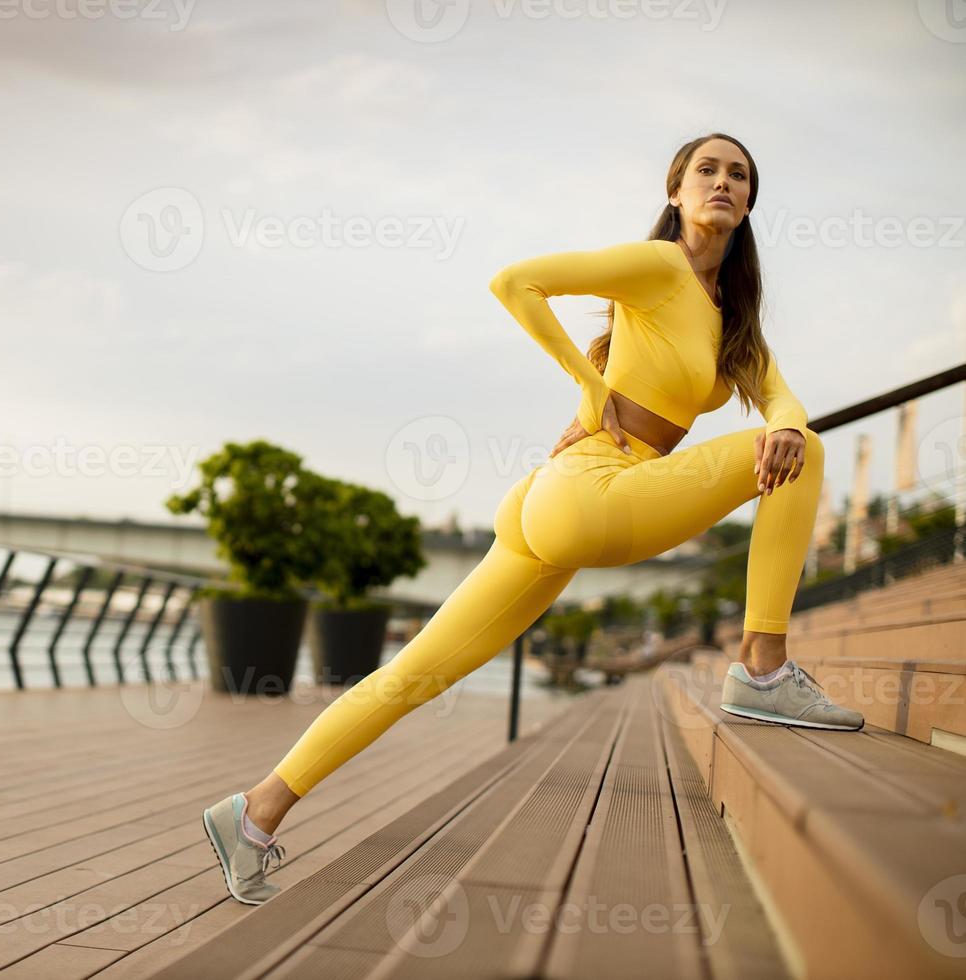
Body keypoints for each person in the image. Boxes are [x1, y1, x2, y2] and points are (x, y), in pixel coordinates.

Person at [201, 132, 862, 907]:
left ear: (750, 201)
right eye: (705, 170)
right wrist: (590, 390)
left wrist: (782, 421)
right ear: (676, 191)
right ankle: (762, 667)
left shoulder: (734, 321)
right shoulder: (657, 266)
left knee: (415, 673)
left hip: (561, 499)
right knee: (804, 456)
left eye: (738, 174)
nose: (722, 182)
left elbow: (782, 400)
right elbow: (515, 282)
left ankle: (253, 814)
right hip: (588, 493)